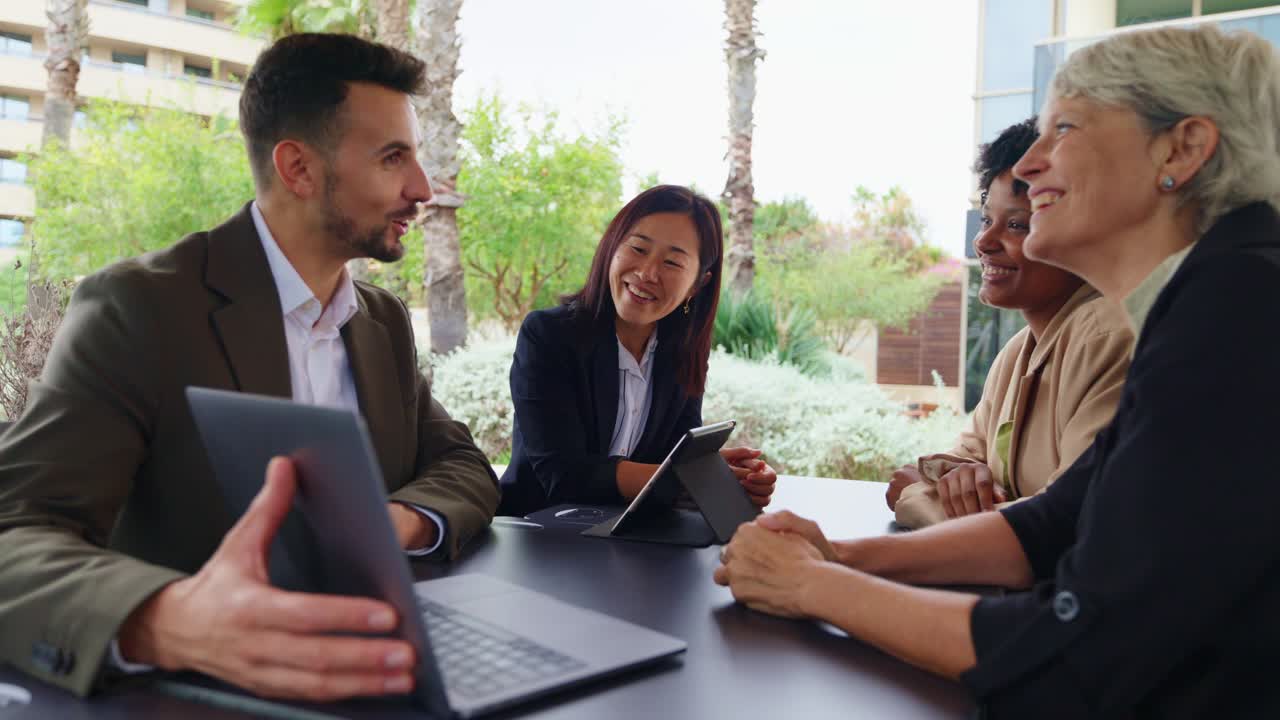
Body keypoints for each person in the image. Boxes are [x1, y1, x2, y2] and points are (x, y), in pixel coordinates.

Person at [715, 24, 1280, 717]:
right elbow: (1053, 523)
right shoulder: (1213, 294)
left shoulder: (1239, 305)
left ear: (1182, 149)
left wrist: (811, 586)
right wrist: (840, 553)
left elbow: (1084, 651)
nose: (1033, 163)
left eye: (1064, 127)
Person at [0, 34, 500, 702]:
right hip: (195, 694)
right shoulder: (141, 308)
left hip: (374, 663)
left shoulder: (380, 322)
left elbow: (462, 464)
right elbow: (15, 531)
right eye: (392, 157)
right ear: (297, 168)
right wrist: (165, 619)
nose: (423, 188)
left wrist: (393, 521)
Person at [889, 119, 1132, 528]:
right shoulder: (1019, 351)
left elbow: (1066, 526)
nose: (984, 242)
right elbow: (960, 463)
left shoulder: (1109, 338)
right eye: (987, 220)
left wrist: (920, 497)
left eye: (1017, 225)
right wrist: (961, 481)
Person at [498, 185, 776, 516]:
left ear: (697, 285)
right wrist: (688, 477)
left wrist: (728, 478)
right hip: (536, 534)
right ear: (612, 248)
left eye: (673, 262)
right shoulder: (548, 335)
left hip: (633, 538)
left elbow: (675, 462)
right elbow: (563, 475)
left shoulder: (682, 351)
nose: (647, 273)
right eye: (639, 249)